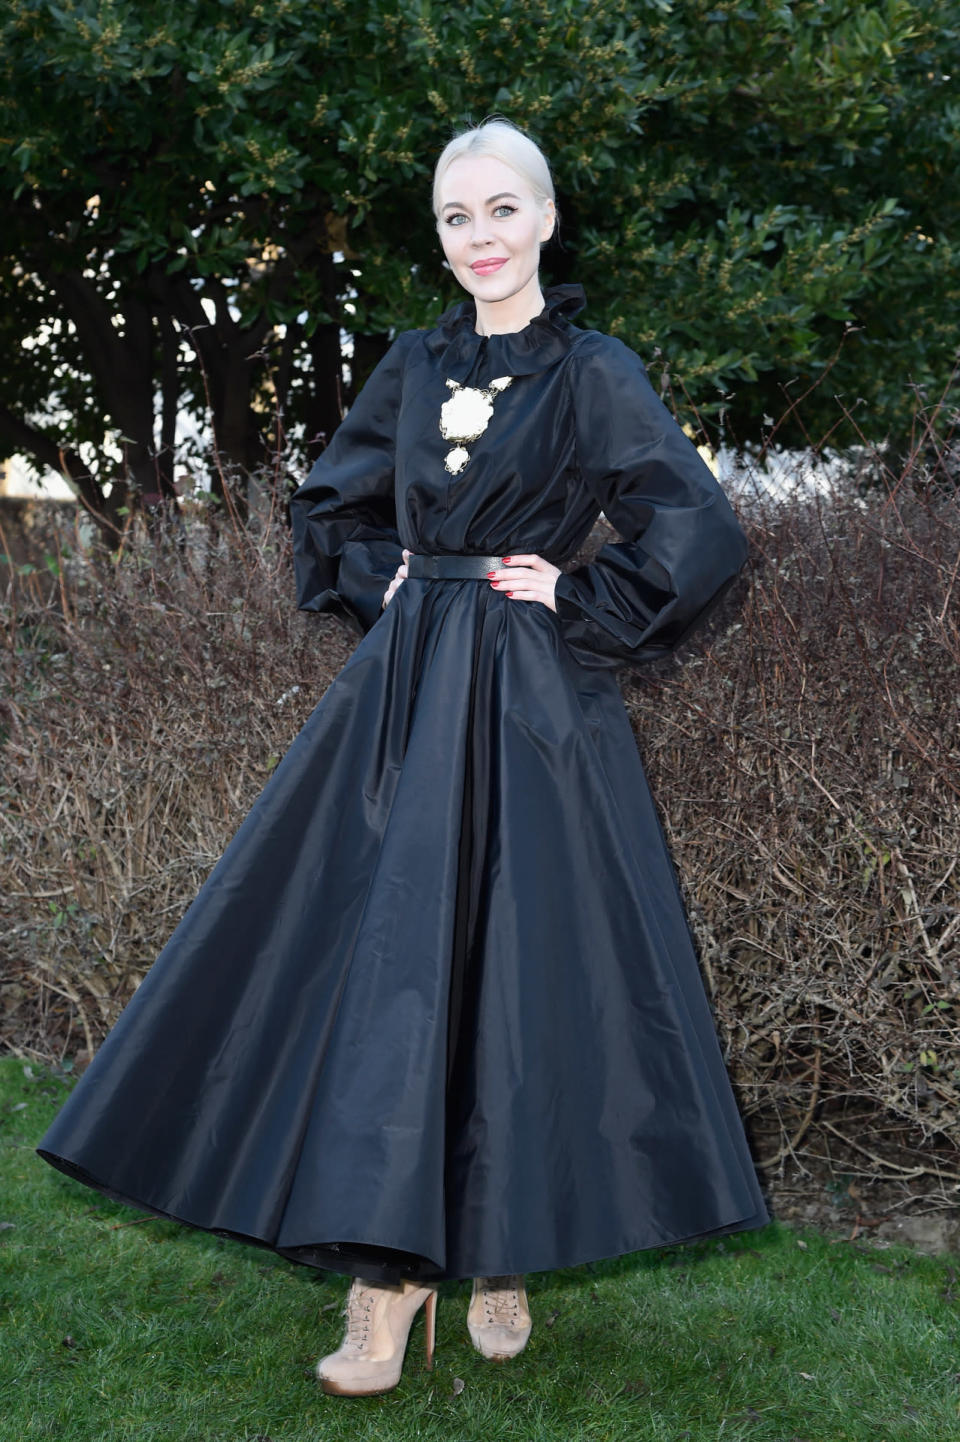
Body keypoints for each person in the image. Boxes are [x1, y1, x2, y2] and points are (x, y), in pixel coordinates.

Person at [35, 118, 770, 1398]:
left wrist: (577, 595)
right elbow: (330, 506)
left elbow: (697, 525)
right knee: (386, 969)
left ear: (545, 220)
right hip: (406, 695)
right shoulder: (411, 366)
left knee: (521, 965)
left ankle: (501, 1246)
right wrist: (399, 588)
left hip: (536, 707)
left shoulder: (594, 371)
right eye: (453, 218)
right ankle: (385, 1286)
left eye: (500, 211)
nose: (478, 239)